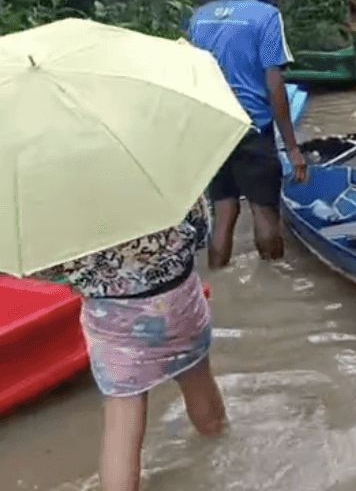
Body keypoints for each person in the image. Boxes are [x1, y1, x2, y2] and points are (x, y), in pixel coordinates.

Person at [36, 199, 225, 491]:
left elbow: (46, 270)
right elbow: (199, 227)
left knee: (123, 419)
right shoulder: (153, 175)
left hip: (115, 316)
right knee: (197, 377)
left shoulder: (60, 204)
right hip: (179, 300)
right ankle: (220, 451)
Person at [188, 0, 307, 269]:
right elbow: (274, 83)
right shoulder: (266, 17)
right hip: (253, 128)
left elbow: (192, 75)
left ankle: (220, 280)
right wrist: (292, 147)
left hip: (215, 129)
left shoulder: (200, 18)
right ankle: (273, 279)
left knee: (224, 212)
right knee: (264, 209)